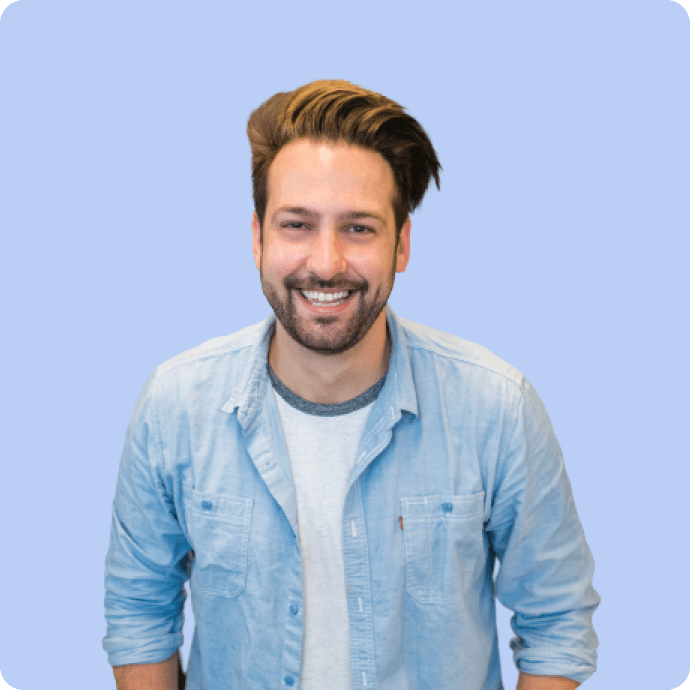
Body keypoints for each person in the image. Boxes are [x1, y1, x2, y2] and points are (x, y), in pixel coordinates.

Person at [103, 79, 600, 690]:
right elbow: (140, 612)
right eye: (297, 225)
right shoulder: (175, 405)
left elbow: (557, 621)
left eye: (359, 228)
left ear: (402, 244)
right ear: (258, 238)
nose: (326, 263)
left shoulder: (498, 408)